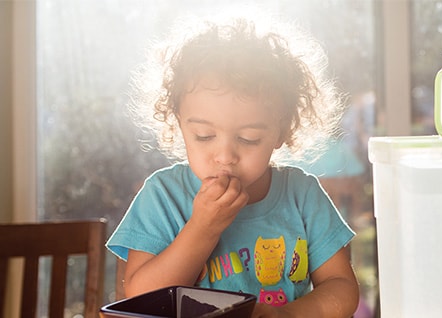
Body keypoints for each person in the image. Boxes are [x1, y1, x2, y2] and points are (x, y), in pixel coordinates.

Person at [106, 12, 359, 318]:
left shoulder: (302, 195)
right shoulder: (162, 197)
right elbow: (142, 297)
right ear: (179, 124)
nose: (225, 156)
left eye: (249, 138)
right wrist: (202, 229)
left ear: (282, 131)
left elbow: (341, 287)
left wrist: (286, 315)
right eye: (204, 135)